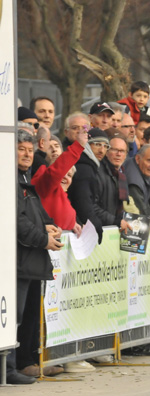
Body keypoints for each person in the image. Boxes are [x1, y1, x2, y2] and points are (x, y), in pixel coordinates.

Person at [14, 130, 65, 382]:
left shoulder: (24, 177)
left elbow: (33, 213)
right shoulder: (9, 178)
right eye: (21, 149)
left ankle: (26, 362)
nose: (26, 154)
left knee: (31, 313)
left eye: (30, 150)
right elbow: (17, 222)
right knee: (16, 316)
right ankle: (12, 367)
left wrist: (48, 224)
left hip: (30, 259)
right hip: (18, 259)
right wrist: (43, 238)